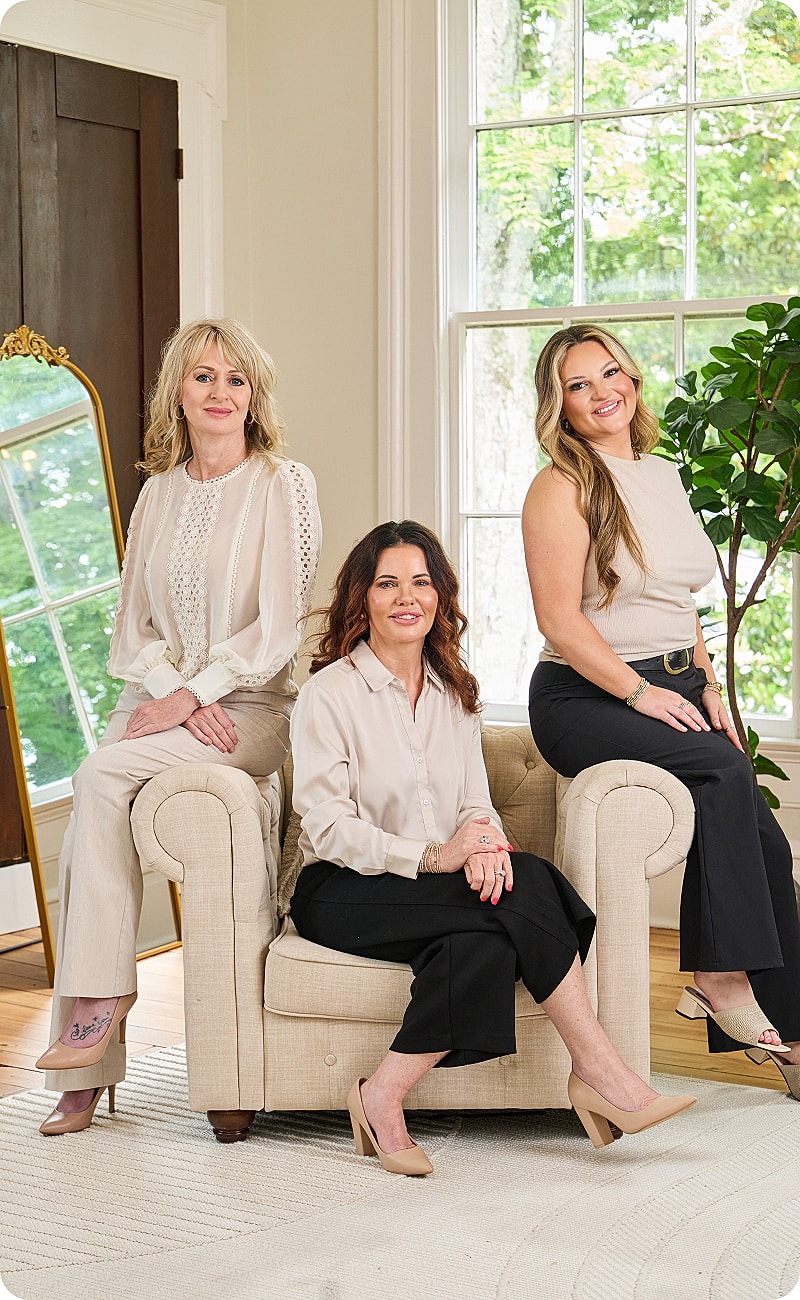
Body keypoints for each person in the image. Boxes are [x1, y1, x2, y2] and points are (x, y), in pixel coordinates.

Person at [288, 519, 695, 1176]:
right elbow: (328, 826)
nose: (406, 597)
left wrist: (482, 846)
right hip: (342, 887)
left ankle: (382, 1095)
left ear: (440, 596)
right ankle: (598, 1071)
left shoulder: (454, 691)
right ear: (362, 598)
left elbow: (474, 802)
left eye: (421, 582)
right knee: (530, 883)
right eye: (388, 583)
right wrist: (433, 857)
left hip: (432, 888)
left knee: (488, 934)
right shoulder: (328, 694)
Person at [36, 318, 322, 1134]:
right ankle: (88, 1057)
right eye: (203, 378)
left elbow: (277, 628)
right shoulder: (159, 491)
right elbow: (129, 631)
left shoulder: (284, 483)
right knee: (100, 792)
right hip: (163, 700)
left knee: (95, 775)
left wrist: (196, 696)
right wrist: (171, 695)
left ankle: (96, 1012)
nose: (221, 393)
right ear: (179, 394)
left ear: (254, 394)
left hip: (252, 709)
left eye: (236, 379)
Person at [524, 322, 800, 1100]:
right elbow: (560, 621)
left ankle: (793, 1039)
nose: (601, 391)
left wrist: (706, 684)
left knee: (763, 836)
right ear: (561, 406)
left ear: (634, 381)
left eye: (611, 373)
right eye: (578, 384)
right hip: (585, 695)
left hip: (676, 680)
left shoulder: (666, 474)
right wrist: (642, 692)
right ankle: (717, 978)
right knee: (719, 769)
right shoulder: (561, 485)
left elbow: (681, 608)